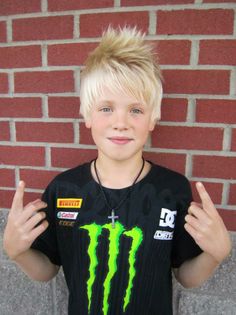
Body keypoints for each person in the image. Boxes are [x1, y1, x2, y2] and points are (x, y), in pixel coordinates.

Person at [3, 27, 232, 315]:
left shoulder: (171, 190)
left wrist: (216, 254)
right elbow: (47, 269)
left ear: (153, 118)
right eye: (106, 108)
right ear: (87, 115)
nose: (120, 122)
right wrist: (16, 251)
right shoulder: (64, 190)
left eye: (135, 110)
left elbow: (185, 275)